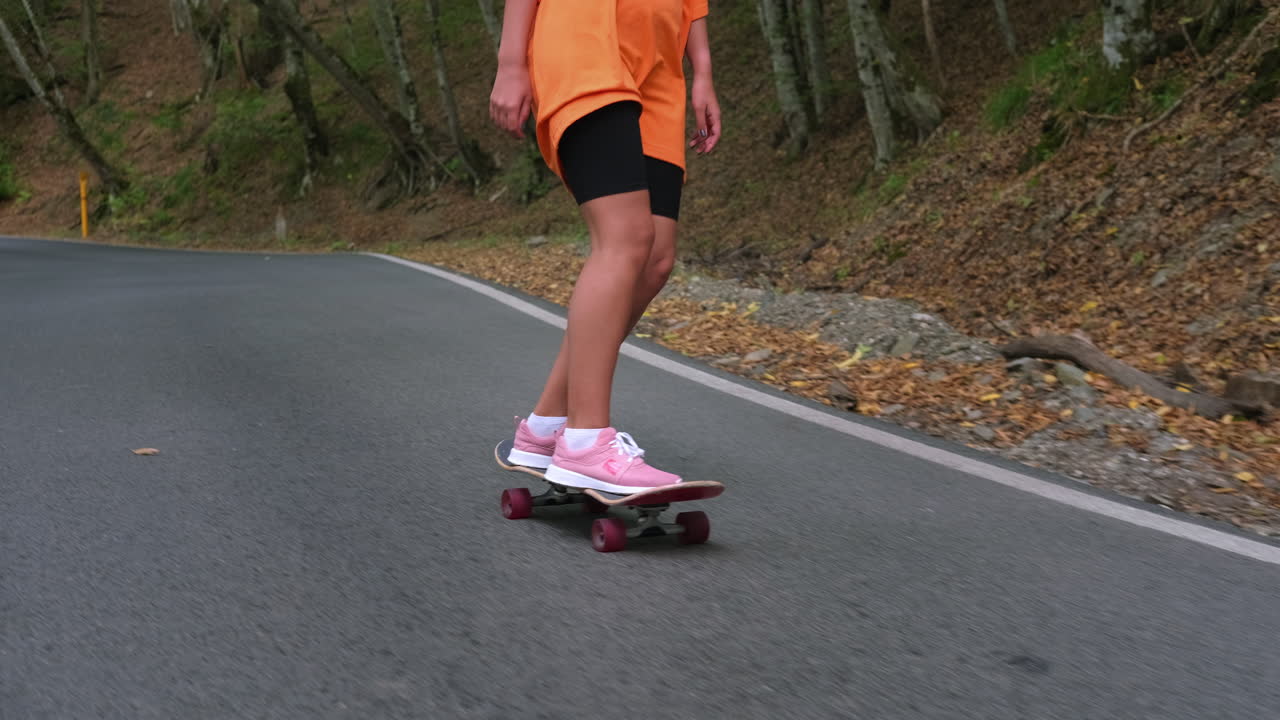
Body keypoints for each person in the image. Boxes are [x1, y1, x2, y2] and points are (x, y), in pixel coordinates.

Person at [489, 0, 721, 494]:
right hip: (585, 39)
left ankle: (546, 427)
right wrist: (511, 63)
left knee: (655, 259)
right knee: (625, 238)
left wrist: (701, 70)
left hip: (660, 65)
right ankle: (586, 442)